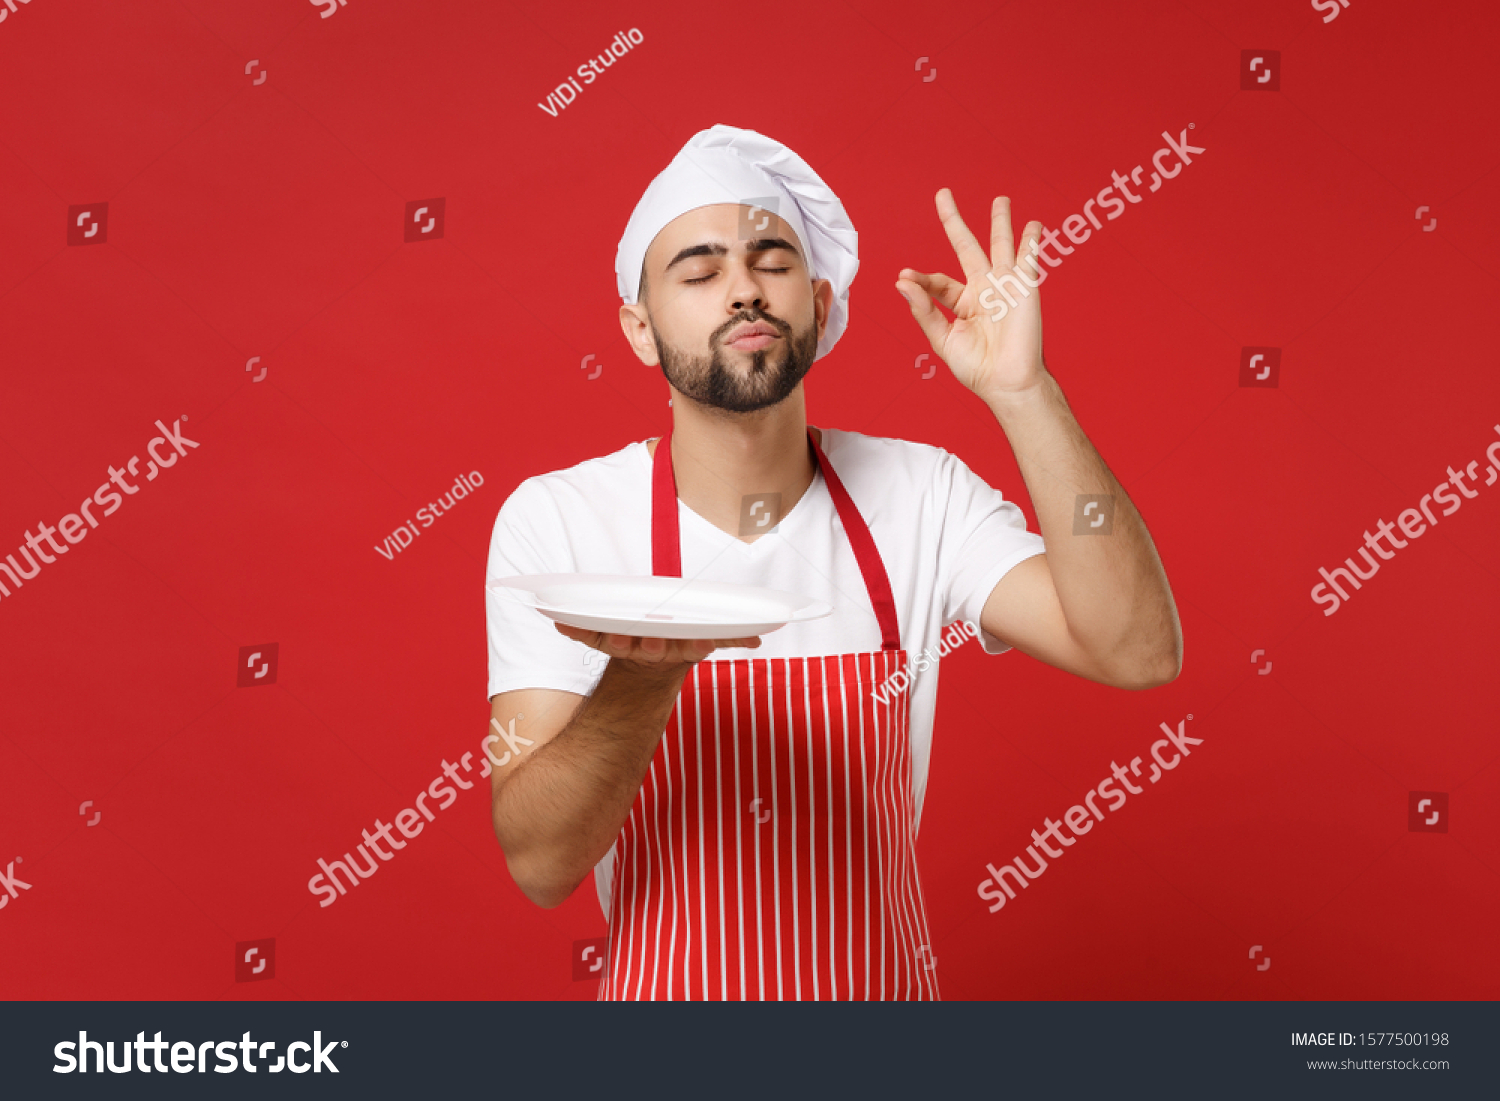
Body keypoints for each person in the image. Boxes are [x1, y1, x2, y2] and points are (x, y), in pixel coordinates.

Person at [484, 124, 1181, 1000]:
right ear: (638, 326)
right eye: (698, 273)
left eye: (770, 261)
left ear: (816, 298)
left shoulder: (921, 494)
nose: (742, 290)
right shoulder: (563, 522)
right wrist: (641, 677)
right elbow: (540, 862)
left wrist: (1026, 395)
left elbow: (1139, 649)